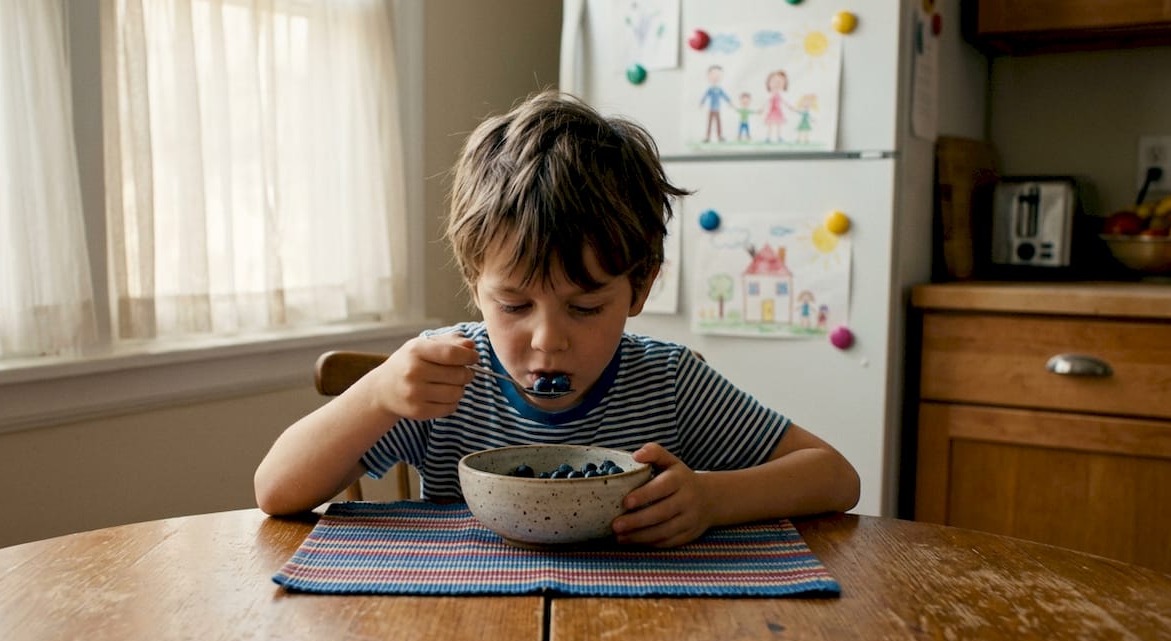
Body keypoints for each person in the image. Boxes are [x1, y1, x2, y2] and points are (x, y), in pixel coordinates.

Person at [254, 89, 859, 547]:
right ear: (475, 285)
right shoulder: (445, 383)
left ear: (641, 287)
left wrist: (712, 499)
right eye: (514, 306)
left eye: (585, 307)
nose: (548, 341)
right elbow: (276, 490)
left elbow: (835, 477)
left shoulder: (668, 384)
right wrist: (377, 395)